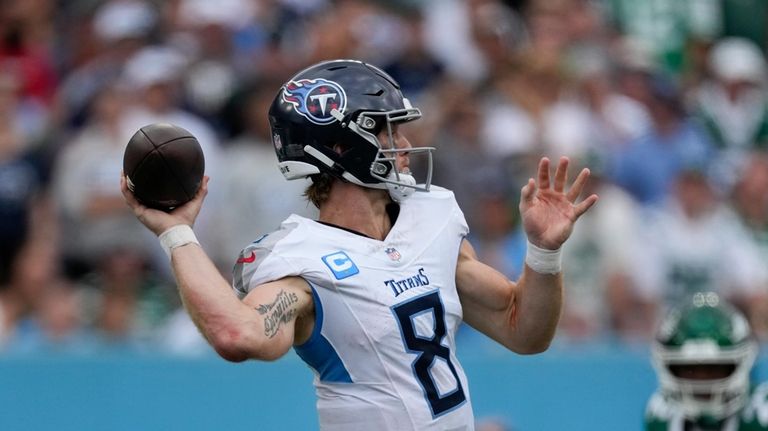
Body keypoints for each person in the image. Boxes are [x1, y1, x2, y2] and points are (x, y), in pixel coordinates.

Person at [120, 59, 598, 430]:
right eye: (387, 129)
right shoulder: (300, 259)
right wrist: (177, 233)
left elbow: (524, 331)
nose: (405, 143)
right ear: (342, 147)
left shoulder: (427, 219)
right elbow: (239, 335)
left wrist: (543, 252)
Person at [645, 292, 768, 431]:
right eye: (690, 369)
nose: (702, 381)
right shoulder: (661, 416)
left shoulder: (761, 414)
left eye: (714, 369)